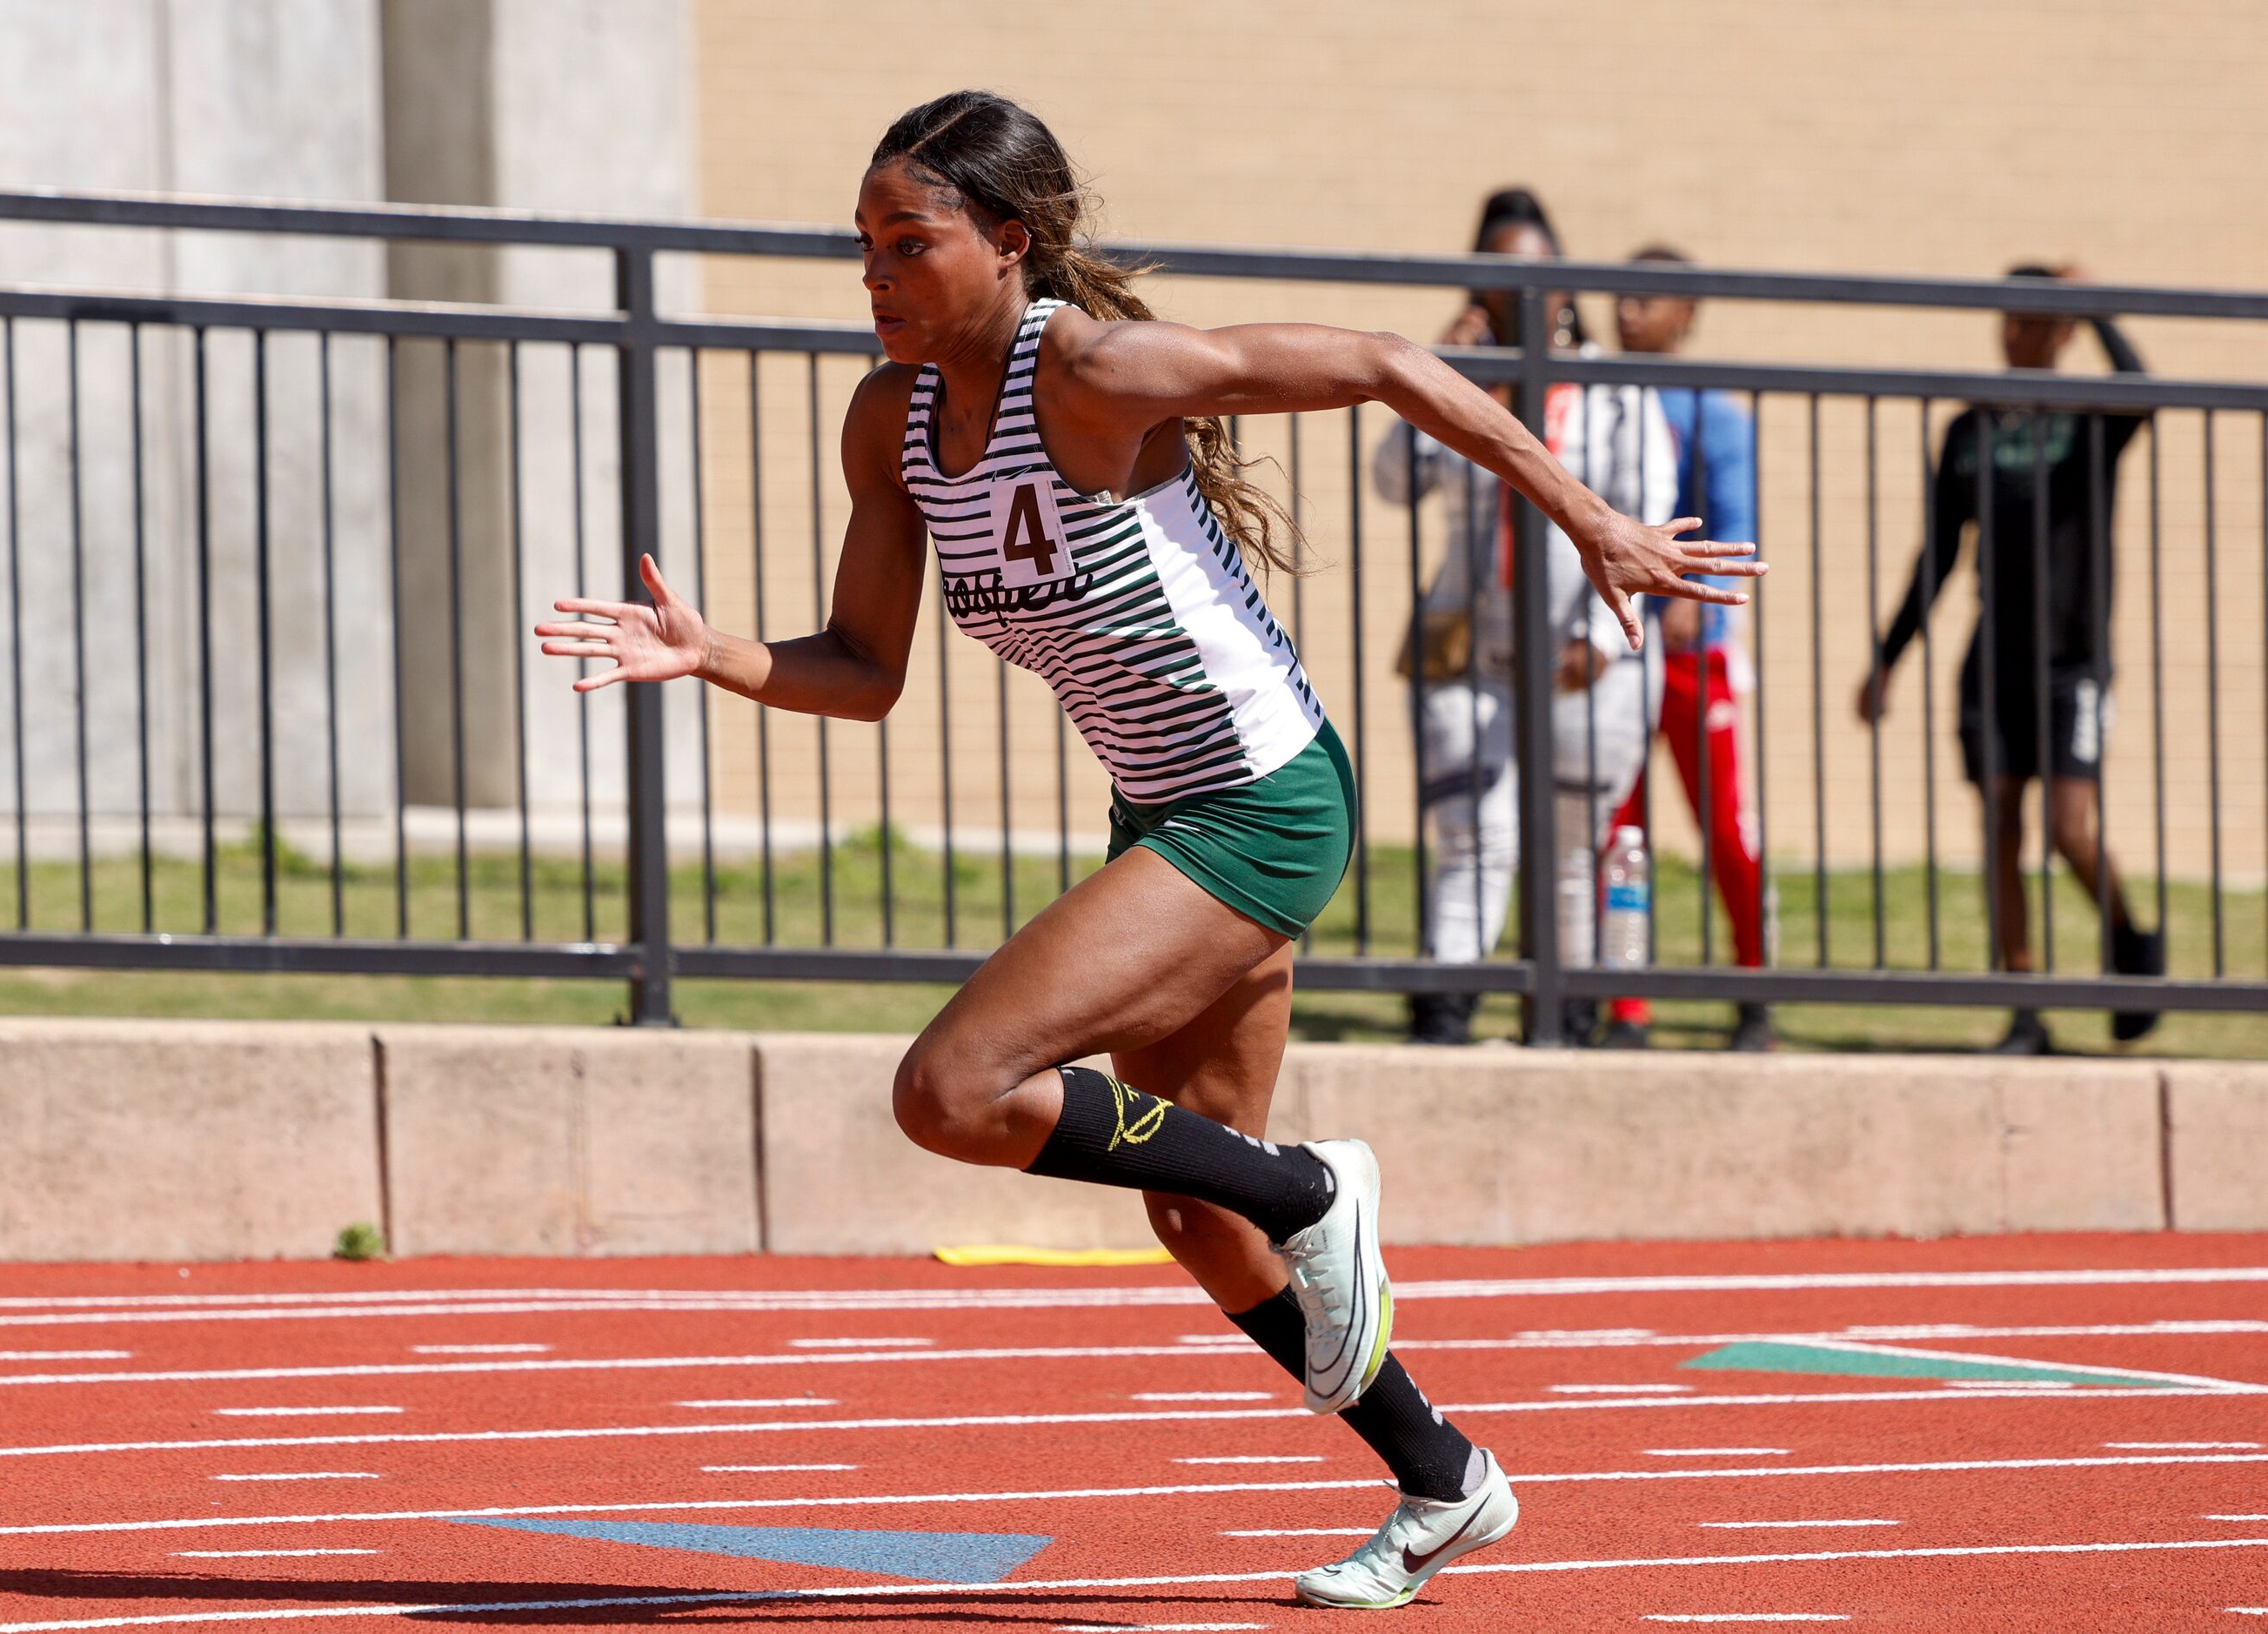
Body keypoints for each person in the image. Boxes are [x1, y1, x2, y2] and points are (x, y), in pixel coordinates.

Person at [537, 92, 1756, 1611]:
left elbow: (1383, 362)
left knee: (953, 1089)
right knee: (1195, 1206)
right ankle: (1443, 1474)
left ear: (1008, 242)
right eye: (860, 248)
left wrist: (1591, 519)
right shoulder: (891, 420)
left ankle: (1315, 1186)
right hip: (1162, 811)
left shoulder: (1099, 371)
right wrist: (718, 652)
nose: (874, 277)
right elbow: (864, 665)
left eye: (904, 244)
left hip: (1262, 800)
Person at [1378, 189, 1677, 1049]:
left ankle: (1569, 1011)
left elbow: (1645, 503)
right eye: (1502, 279)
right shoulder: (1457, 380)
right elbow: (1395, 480)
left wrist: (1597, 629)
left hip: (1582, 655)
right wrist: (1445, 361)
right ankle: (1448, 1004)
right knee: (1475, 832)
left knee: (1573, 842)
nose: (1525, 294)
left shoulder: (1608, 390)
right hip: (1470, 646)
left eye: (1539, 276)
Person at [1857, 264, 2159, 1055]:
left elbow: (2143, 386)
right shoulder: (1969, 429)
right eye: (2009, 318)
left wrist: (2093, 304)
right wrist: (1888, 656)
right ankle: (2023, 1008)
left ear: (2059, 331)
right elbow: (1939, 555)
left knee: (2069, 828)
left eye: (2033, 318)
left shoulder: (2093, 417)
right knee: (1999, 828)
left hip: (2073, 661)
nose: (2013, 332)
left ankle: (2132, 944)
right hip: (1993, 660)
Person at [1606, 245, 1775, 1052]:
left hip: (1687, 650)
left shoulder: (1712, 409)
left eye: (1649, 298)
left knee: (1725, 825)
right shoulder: (1589, 396)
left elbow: (1735, 527)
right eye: (1621, 296)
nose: (1627, 311)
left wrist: (1693, 612)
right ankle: (1624, 1000)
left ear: (1687, 315)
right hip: (1608, 646)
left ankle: (1753, 987)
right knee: (1619, 827)